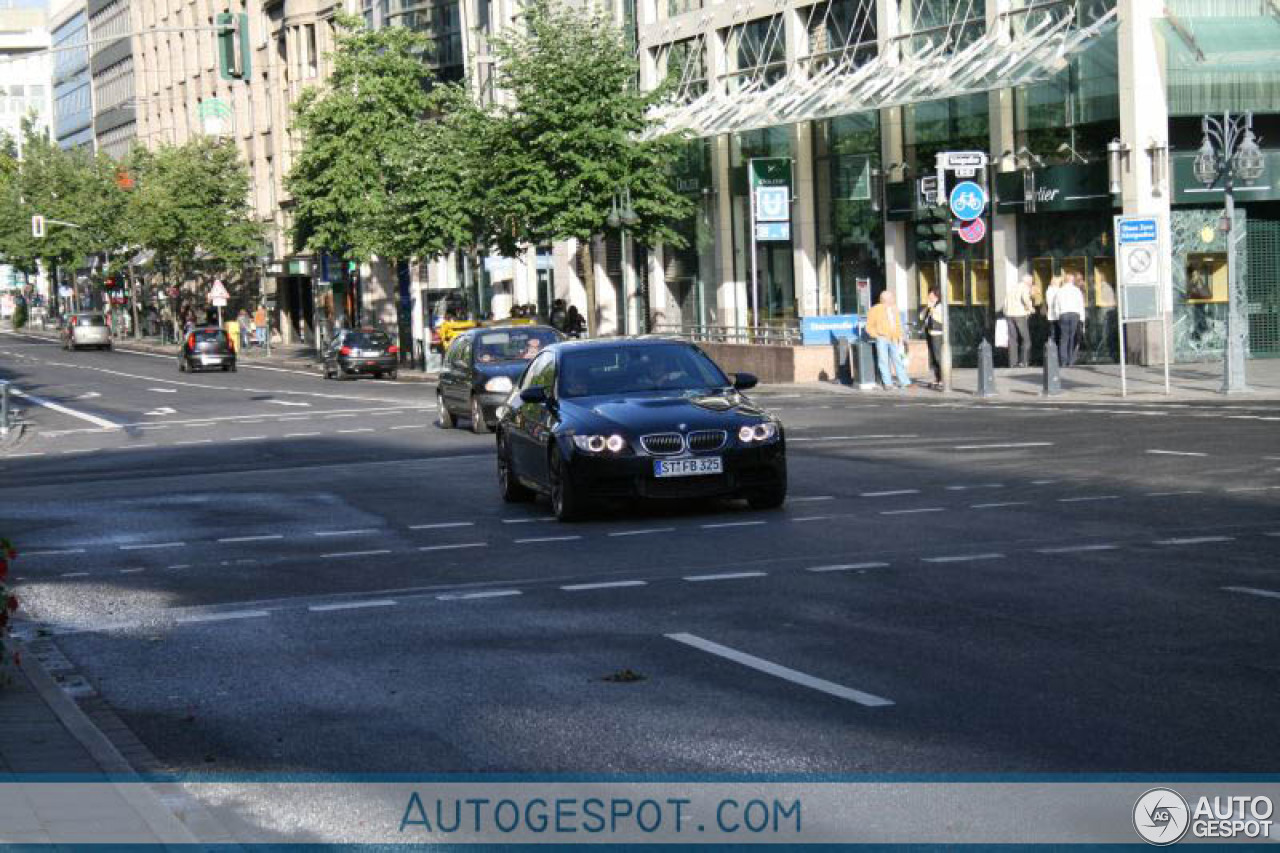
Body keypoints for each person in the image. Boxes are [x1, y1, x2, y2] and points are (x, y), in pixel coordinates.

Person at [866, 289, 911, 390]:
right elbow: (869, 326)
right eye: (891, 297)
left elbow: (898, 324)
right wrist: (877, 334)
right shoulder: (875, 309)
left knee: (898, 360)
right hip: (882, 338)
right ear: (884, 299)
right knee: (883, 361)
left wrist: (900, 336)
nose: (893, 299)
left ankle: (905, 382)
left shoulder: (894, 309)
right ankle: (888, 383)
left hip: (893, 338)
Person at [1052, 273, 1086, 367]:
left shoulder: (1060, 291)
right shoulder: (1077, 291)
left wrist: (1058, 316)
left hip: (1063, 314)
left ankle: (1063, 361)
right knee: (1072, 337)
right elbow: (1080, 305)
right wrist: (1082, 319)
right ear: (1072, 280)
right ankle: (1070, 361)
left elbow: (1056, 305)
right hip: (1075, 314)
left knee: (1063, 338)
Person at [1005, 274, 1034, 368]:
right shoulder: (1024, 287)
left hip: (1009, 315)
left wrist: (1007, 313)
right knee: (1026, 339)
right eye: (1031, 282)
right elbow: (1025, 298)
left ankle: (1013, 363)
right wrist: (1031, 308)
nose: (1031, 284)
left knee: (1012, 339)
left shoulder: (1013, 288)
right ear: (1028, 282)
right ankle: (1024, 362)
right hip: (1019, 315)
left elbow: (1005, 302)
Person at [917, 288, 944, 388]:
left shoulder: (940, 306)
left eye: (931, 295)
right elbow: (921, 316)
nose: (929, 297)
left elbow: (939, 318)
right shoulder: (930, 306)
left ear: (936, 296)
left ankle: (943, 378)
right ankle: (937, 378)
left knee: (938, 356)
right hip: (930, 333)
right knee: (932, 357)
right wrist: (927, 308)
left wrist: (932, 308)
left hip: (937, 334)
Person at [1044, 275, 1063, 349]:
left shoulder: (1049, 290)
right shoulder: (1056, 290)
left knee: (1053, 334)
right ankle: (1055, 352)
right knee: (1057, 334)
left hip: (1051, 316)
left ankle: (1053, 351)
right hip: (1056, 315)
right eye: (1060, 282)